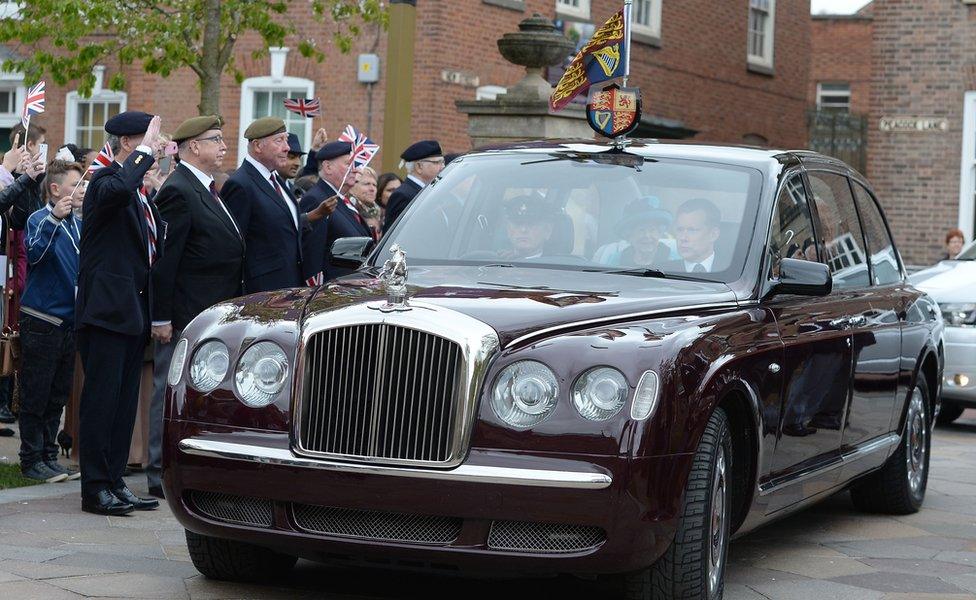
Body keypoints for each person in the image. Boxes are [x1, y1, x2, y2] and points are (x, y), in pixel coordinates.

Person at [148, 115, 244, 499]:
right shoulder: (179, 190)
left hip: (212, 314)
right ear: (193, 147)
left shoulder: (205, 188)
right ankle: (158, 469)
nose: (223, 146)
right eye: (215, 139)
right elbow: (165, 261)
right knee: (168, 391)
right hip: (186, 315)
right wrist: (161, 316)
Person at [76, 110, 164, 516]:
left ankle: (114, 481)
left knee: (123, 403)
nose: (158, 147)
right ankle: (95, 487)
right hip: (106, 312)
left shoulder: (138, 191)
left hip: (131, 310)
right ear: (129, 143)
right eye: (150, 140)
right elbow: (118, 188)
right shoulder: (104, 181)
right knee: (102, 401)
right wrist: (145, 154)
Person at [19, 160, 86, 483]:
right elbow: (34, 254)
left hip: (69, 321)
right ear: (56, 189)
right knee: (36, 392)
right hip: (42, 319)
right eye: (75, 185)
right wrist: (54, 219)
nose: (80, 190)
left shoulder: (78, 223)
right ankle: (30, 458)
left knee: (58, 393)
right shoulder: (39, 219)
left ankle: (48, 454)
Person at [222, 117, 335, 293]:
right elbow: (232, 248)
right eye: (279, 140)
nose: (287, 147)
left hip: (287, 287)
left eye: (286, 140)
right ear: (258, 146)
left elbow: (283, 225)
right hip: (261, 294)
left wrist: (315, 215)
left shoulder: (276, 180)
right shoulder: (240, 184)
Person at [299, 141, 365, 283]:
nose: (355, 170)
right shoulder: (316, 198)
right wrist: (315, 290)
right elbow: (312, 252)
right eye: (348, 164)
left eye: (355, 165)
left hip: (350, 284)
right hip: (330, 289)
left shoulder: (342, 199)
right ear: (328, 167)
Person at [594, 196, 673, 267]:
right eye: (641, 230)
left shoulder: (673, 259)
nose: (647, 235)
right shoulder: (615, 260)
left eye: (652, 230)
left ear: (659, 233)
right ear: (629, 235)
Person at [382, 140, 443, 232]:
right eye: (437, 162)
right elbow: (395, 235)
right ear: (419, 167)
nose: (442, 167)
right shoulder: (403, 195)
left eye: (442, 162)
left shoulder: (425, 191)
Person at [662, 198, 722, 273]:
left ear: (713, 235)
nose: (683, 238)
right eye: (680, 229)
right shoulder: (662, 272)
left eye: (692, 230)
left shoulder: (734, 271)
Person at [499, 195, 556, 259]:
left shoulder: (558, 266)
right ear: (508, 229)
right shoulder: (494, 262)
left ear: (548, 230)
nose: (523, 230)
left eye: (531, 224)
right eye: (517, 224)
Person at [349, 165, 381, 237]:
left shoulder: (379, 212)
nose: (372, 189)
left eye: (374, 185)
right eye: (367, 184)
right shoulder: (349, 210)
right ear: (352, 186)